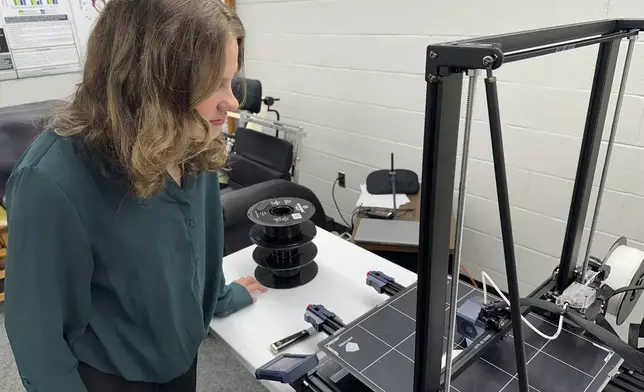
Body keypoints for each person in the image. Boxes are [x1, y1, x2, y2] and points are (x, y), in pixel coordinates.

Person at [3, 1, 267, 391]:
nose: (231, 101)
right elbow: (38, 343)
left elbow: (196, 247)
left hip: (180, 358)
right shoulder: (51, 180)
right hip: (112, 376)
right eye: (213, 83)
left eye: (230, 80)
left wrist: (222, 297)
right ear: (150, 81)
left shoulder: (195, 141)